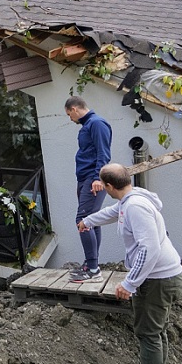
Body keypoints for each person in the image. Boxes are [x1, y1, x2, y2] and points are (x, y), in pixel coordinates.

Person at [78, 163, 182, 364]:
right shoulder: (131, 198)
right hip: (165, 277)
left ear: (109, 186)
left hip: (158, 280)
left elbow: (149, 248)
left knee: (148, 334)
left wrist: (129, 283)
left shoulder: (135, 206)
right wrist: (88, 221)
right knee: (156, 331)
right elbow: (112, 212)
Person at [64, 96, 112, 282]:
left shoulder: (97, 123)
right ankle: (91, 264)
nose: (70, 119)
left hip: (92, 179)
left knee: (82, 220)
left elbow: (103, 153)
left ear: (75, 109)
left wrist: (97, 178)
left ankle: (93, 270)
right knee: (92, 220)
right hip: (85, 179)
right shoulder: (88, 125)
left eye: (69, 115)